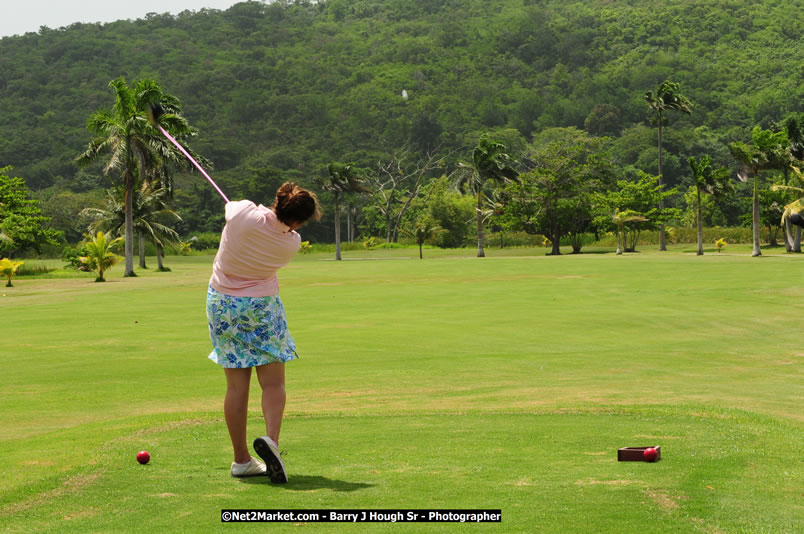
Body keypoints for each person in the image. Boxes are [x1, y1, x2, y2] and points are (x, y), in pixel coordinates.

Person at [206, 182, 321, 482]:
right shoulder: (291, 243)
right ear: (298, 221)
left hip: (223, 305)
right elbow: (277, 227)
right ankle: (272, 441)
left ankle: (241, 460)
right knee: (272, 383)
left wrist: (258, 210)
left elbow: (233, 210)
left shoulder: (244, 213)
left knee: (235, 387)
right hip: (262, 308)